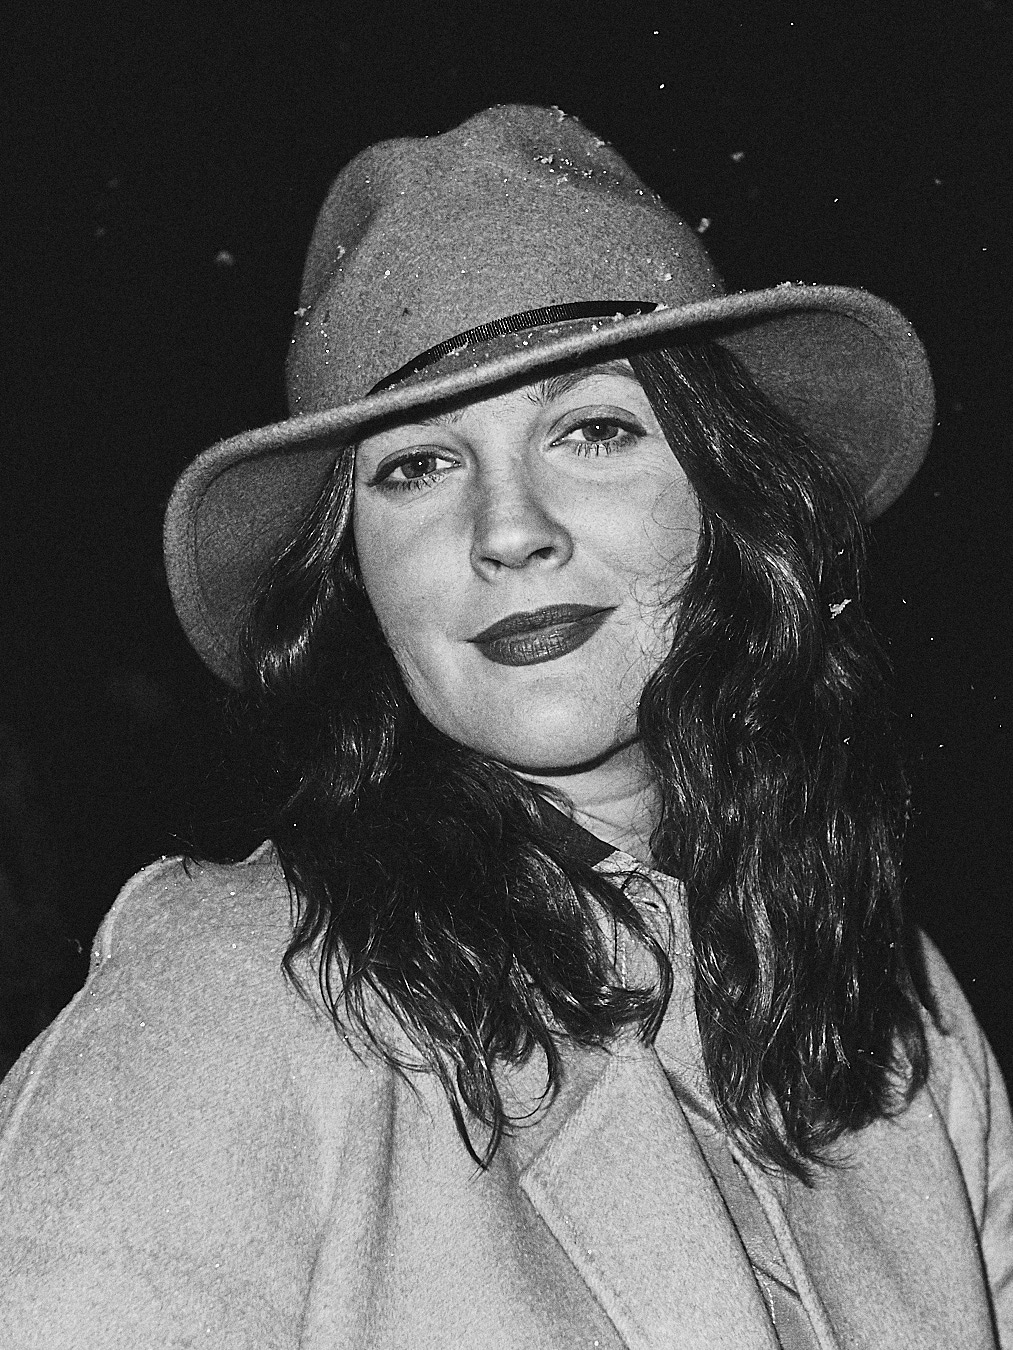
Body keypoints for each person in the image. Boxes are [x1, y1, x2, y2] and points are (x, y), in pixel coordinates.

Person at [1, 103, 1010, 1349]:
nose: (508, 530)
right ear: (354, 576)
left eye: (593, 431)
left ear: (730, 497)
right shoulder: (233, 991)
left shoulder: (896, 1011)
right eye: (416, 467)